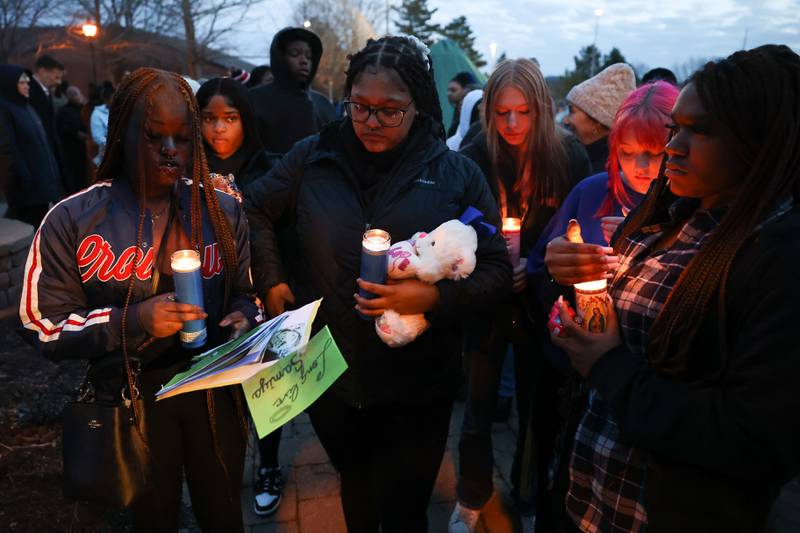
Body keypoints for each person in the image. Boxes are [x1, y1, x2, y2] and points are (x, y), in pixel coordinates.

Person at [244, 35, 512, 533]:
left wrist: (434, 296)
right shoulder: (313, 156)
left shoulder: (457, 174)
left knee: (406, 508)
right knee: (358, 491)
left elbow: (496, 271)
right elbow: (255, 207)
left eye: (391, 110)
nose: (370, 121)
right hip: (330, 373)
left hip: (417, 383)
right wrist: (274, 280)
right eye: (360, 107)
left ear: (419, 106)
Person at [546, 44, 800, 533]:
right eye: (675, 128)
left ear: (759, 140)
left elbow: (755, 439)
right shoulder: (664, 217)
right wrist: (564, 277)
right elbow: (598, 323)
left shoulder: (777, 257)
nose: (673, 148)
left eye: (700, 131)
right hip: (587, 495)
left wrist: (608, 365)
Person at [20, 68, 262, 531]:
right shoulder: (74, 219)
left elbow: (246, 293)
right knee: (152, 516)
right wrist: (131, 320)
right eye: (154, 136)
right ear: (121, 135)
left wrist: (244, 316)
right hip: (133, 400)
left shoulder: (223, 209)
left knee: (224, 511)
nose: (170, 150)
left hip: (215, 394)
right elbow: (41, 324)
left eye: (182, 137)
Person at [452, 58, 590, 533]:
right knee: (478, 402)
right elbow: (460, 225)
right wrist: (491, 266)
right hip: (488, 301)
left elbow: (575, 228)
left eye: (523, 112)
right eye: (502, 112)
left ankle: (528, 492)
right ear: (488, 111)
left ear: (541, 110)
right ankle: (472, 493)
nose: (511, 124)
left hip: (542, 301)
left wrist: (536, 268)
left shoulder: (567, 156)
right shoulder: (474, 154)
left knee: (538, 408)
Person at [197, 76, 283, 517]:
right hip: (213, 297)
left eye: (229, 118)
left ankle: (268, 464)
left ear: (245, 119)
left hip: (264, 293)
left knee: (268, 385)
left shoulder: (269, 167)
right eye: (209, 118)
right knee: (222, 389)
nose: (219, 129)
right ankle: (223, 464)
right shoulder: (185, 169)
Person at [249, 27, 336, 154]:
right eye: (295, 53)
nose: (304, 61)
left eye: (309, 56)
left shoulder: (323, 103)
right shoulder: (254, 99)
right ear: (280, 56)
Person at [0, 65, 60, 226]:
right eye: (22, 83)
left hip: (41, 185)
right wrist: (23, 180)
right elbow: (9, 149)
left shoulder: (27, 107)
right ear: (10, 84)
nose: (27, 85)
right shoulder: (5, 110)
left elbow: (42, 145)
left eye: (27, 82)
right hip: (26, 189)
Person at [564, 63, 636, 174]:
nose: (566, 120)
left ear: (596, 121)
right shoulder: (579, 157)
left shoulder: (604, 173)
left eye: (571, 111)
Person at [28, 54, 65, 193]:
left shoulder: (46, 92)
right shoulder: (30, 92)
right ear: (42, 71)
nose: (59, 82)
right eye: (56, 77)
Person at [56, 85, 89, 194]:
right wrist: (76, 133)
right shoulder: (63, 111)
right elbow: (63, 129)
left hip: (86, 150)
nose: (76, 97)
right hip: (72, 151)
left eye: (77, 94)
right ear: (68, 96)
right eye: (72, 94)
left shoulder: (84, 108)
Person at [447, 71, 479, 137]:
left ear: (467, 90)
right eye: (448, 90)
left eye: (453, 90)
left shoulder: (477, 111)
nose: (449, 94)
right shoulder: (457, 109)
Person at [90, 81, 114, 167]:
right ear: (106, 100)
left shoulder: (121, 111)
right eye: (114, 98)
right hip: (108, 152)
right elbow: (97, 137)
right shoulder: (97, 114)